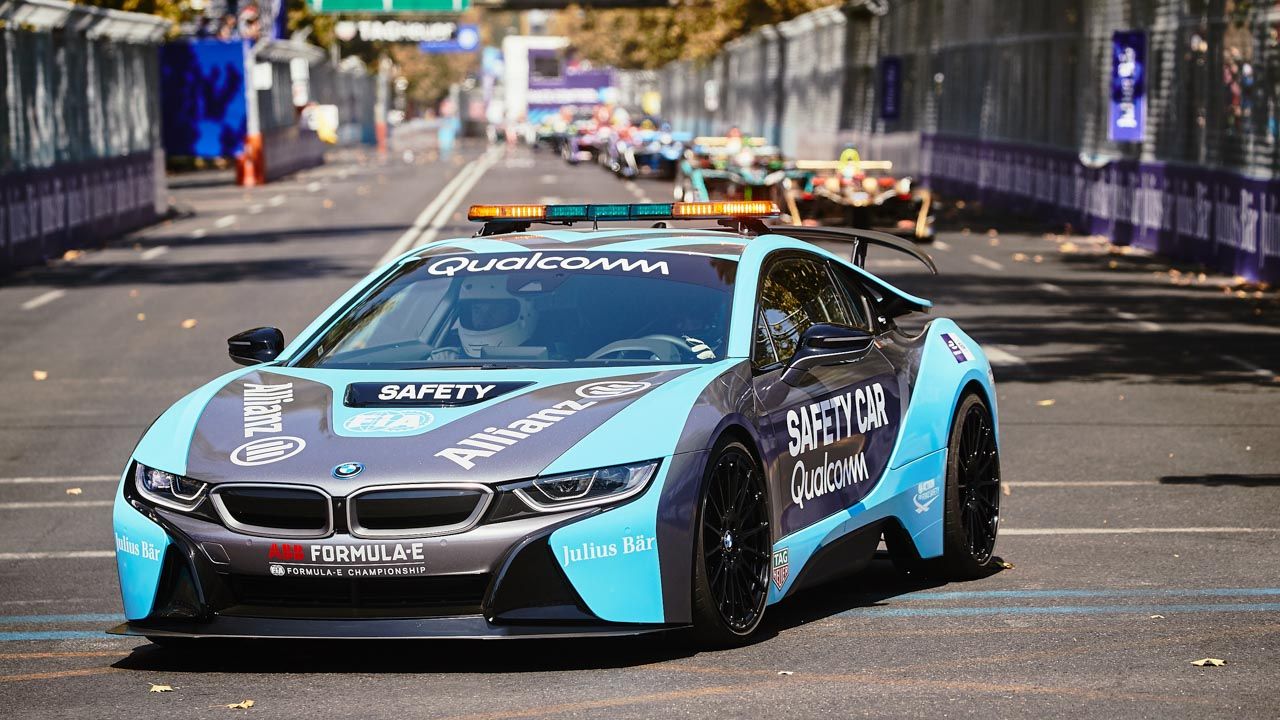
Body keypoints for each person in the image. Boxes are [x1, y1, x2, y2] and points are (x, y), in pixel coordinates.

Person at [430, 278, 538, 360]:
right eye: (477, 309)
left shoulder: (549, 363)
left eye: (495, 309)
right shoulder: (443, 360)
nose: (483, 319)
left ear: (524, 314)